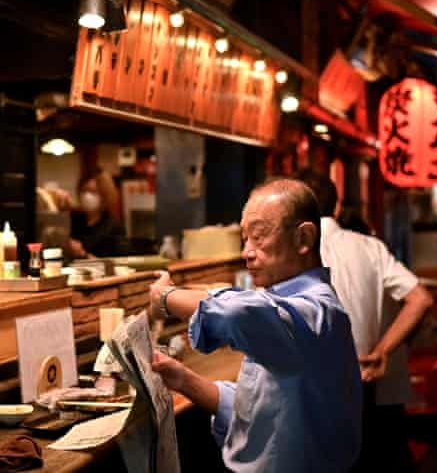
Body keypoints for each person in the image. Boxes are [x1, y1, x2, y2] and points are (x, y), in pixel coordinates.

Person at [148, 179, 362, 473]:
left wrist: (165, 297)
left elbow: (238, 312)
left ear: (304, 239)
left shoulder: (317, 311)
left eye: (259, 236)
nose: (247, 251)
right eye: (244, 239)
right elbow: (256, 407)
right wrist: (184, 380)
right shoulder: (280, 311)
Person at [297, 169, 433, 473]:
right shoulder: (369, 247)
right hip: (368, 386)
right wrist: (382, 350)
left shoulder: (294, 252)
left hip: (313, 393)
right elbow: (421, 298)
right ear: (336, 207)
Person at [69, 169, 125, 258]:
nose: (87, 196)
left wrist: (83, 254)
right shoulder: (74, 220)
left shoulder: (113, 228)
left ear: (104, 195)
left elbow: (114, 266)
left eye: (93, 191)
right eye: (84, 191)